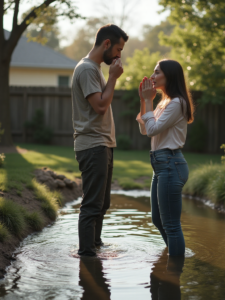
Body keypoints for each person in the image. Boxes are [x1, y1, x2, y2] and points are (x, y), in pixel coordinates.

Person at [72, 24, 129, 256]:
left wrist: (110, 77)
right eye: (118, 49)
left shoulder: (94, 69)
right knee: (92, 204)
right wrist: (113, 77)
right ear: (106, 44)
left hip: (102, 145)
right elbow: (100, 106)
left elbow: (101, 102)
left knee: (102, 204)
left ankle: (94, 247)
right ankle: (87, 256)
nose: (119, 55)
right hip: (93, 145)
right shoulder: (87, 69)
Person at [136, 59, 195, 256]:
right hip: (161, 165)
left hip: (171, 163)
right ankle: (173, 257)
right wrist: (144, 100)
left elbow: (151, 130)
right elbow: (144, 130)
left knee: (171, 224)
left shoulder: (177, 103)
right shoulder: (164, 102)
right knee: (158, 220)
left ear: (169, 76)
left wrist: (148, 101)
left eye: (157, 72)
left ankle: (174, 271)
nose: (152, 76)